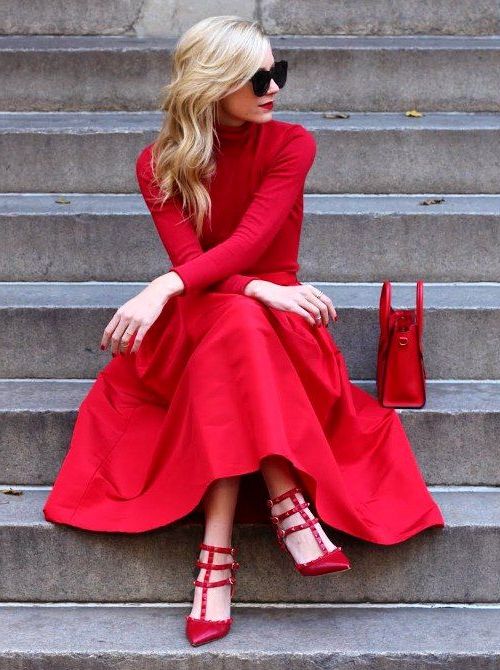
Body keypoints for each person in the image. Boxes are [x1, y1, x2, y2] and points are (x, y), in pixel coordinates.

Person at [43, 15, 445, 647]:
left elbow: (249, 243)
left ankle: (215, 556)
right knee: (235, 318)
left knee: (241, 327)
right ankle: (287, 501)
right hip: (205, 322)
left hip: (274, 329)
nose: (273, 87)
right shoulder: (158, 164)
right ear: (212, 83)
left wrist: (167, 288)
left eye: (277, 72)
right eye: (257, 77)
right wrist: (253, 287)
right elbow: (200, 266)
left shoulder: (292, 144)